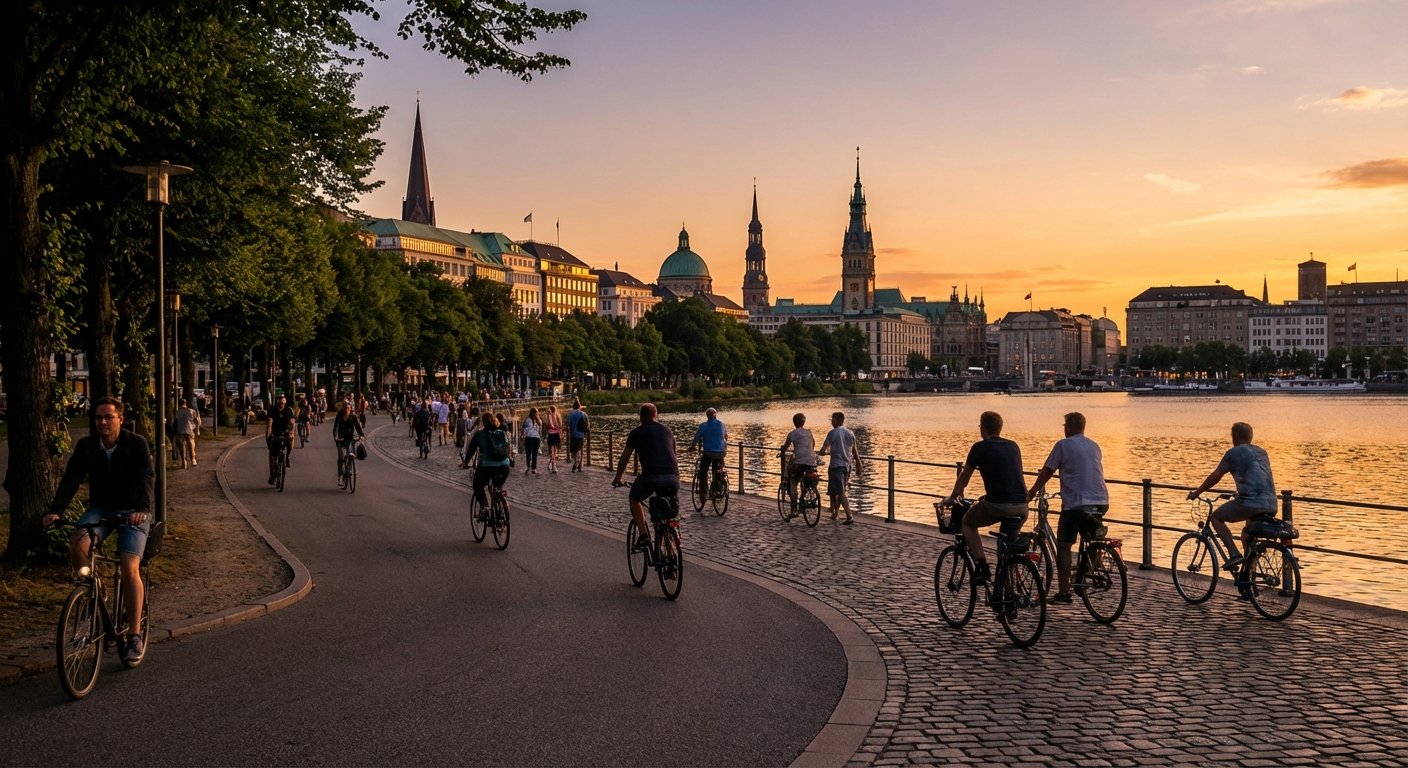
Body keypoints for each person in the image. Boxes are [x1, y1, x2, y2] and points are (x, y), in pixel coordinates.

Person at [43, 397, 154, 663]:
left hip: (132, 511)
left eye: (108, 417)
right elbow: (71, 478)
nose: (102, 422)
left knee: (129, 566)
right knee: (78, 541)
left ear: (120, 419)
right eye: (98, 418)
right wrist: (55, 510)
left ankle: (134, 636)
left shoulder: (136, 443)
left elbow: (146, 477)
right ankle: (93, 589)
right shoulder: (87, 446)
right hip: (101, 509)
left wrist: (141, 508)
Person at [1027, 412, 1109, 605]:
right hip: (1101, 500)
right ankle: (1088, 568)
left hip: (1076, 503)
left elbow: (1048, 470)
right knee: (1090, 537)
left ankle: (1064, 593)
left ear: (1069, 428)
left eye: (1065, 426)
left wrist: (1032, 492)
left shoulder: (1063, 445)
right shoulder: (1094, 445)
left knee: (1064, 546)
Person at [938, 411, 1028, 585]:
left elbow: (964, 478)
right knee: (1007, 547)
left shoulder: (979, 447)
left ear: (983, 428)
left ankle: (982, 566)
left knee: (967, 523)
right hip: (1021, 505)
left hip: (997, 504)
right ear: (999, 428)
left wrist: (952, 498)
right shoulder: (1013, 446)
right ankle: (1008, 590)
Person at [1187, 421, 1278, 581]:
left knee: (1216, 517)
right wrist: (1241, 491)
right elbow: (1258, 477)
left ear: (1234, 436)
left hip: (1250, 503)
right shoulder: (1261, 452)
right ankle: (1249, 578)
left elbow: (1215, 476)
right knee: (1247, 535)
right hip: (1271, 503)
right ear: (1250, 436)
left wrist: (1197, 492)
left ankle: (1234, 554)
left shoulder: (1233, 453)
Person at [611, 403, 681, 553]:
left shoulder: (636, 432)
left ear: (641, 417)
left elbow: (625, 458)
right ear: (656, 415)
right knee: (667, 514)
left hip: (651, 477)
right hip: (673, 478)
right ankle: (669, 554)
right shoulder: (667, 431)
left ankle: (643, 535)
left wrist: (618, 478)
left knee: (634, 498)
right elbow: (673, 454)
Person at [464, 412, 512, 517]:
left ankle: (484, 507)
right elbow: (508, 448)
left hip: (486, 466)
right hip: (504, 466)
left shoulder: (479, 434)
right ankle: (499, 502)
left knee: (477, 485)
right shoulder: (502, 432)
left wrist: (465, 462)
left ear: (483, 422)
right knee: (498, 486)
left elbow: (471, 450)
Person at [818, 411, 862, 525]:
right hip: (847, 466)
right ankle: (835, 513)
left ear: (837, 420)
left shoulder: (832, 433)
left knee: (840, 491)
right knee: (839, 489)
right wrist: (858, 463)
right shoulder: (850, 433)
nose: (831, 422)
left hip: (836, 465)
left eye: (832, 420)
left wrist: (822, 452)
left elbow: (824, 448)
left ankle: (849, 515)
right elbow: (854, 450)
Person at [778, 412, 818, 517]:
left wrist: (782, 452)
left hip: (799, 461)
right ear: (804, 422)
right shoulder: (809, 432)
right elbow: (813, 444)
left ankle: (794, 510)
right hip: (811, 461)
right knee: (807, 479)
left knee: (793, 482)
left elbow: (786, 447)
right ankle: (804, 497)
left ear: (794, 422)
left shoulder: (792, 434)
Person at [691, 407, 728, 503]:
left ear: (707, 416)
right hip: (721, 453)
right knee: (717, 468)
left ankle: (703, 491)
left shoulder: (703, 425)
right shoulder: (722, 424)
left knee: (703, 470)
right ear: (716, 415)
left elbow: (696, 438)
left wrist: (692, 447)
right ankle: (717, 488)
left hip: (708, 453)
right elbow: (725, 437)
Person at [265, 393, 296, 484]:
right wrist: (269, 433)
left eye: (283, 399)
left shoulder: (289, 410)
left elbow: (292, 422)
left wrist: (291, 432)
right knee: (272, 453)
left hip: (285, 431)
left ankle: (287, 456)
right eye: (280, 399)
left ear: (285, 401)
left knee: (291, 439)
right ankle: (272, 474)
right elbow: (270, 422)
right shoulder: (272, 410)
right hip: (275, 432)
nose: (281, 401)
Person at [332, 400, 365, 478]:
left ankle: (349, 467)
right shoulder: (339, 415)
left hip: (349, 437)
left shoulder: (353, 416)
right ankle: (340, 475)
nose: (348, 409)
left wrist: (361, 435)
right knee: (341, 457)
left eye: (349, 408)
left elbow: (357, 426)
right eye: (346, 408)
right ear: (343, 408)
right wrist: (335, 436)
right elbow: (336, 426)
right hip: (341, 438)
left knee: (351, 454)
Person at [173, 397, 200, 468]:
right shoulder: (191, 411)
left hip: (180, 430)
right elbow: (196, 421)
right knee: (191, 445)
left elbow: (175, 422)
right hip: (189, 429)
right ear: (186, 403)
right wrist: (197, 430)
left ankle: (184, 462)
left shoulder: (177, 412)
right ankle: (193, 460)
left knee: (181, 446)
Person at [566, 400, 590, 472]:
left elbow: (567, 424)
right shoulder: (584, 414)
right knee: (580, 449)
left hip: (573, 435)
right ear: (579, 406)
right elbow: (588, 425)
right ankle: (578, 464)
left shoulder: (570, 414)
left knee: (573, 451)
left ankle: (576, 463)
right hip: (581, 434)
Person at [522, 407, 542, 474]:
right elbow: (540, 431)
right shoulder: (539, 421)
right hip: (536, 438)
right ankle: (534, 468)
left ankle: (528, 467)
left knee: (528, 453)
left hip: (528, 438)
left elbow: (524, 428)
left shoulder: (527, 420)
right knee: (534, 454)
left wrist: (523, 435)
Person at [545, 405, 564, 473]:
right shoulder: (558, 415)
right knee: (555, 451)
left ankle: (552, 463)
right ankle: (554, 465)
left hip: (551, 434)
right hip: (556, 434)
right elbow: (560, 426)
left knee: (551, 450)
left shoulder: (549, 416)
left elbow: (547, 425)